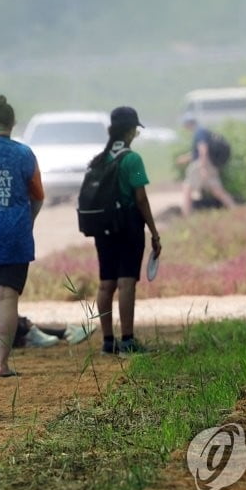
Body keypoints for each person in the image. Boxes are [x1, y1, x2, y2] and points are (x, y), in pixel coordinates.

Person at [0, 95, 44, 378]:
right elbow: (37, 196)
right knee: (7, 296)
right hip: (14, 234)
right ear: (12, 123)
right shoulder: (24, 154)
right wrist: (27, 221)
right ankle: (3, 363)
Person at [92, 106, 162, 356]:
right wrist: (154, 231)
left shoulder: (100, 159)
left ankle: (108, 341)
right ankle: (128, 340)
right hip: (129, 225)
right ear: (131, 130)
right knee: (126, 283)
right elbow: (141, 197)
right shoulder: (133, 160)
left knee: (105, 283)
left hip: (103, 229)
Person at [177, 114, 237, 217]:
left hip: (201, 164)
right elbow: (198, 152)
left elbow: (203, 150)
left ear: (188, 124)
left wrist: (203, 168)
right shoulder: (204, 131)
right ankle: (236, 210)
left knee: (187, 188)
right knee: (217, 190)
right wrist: (186, 158)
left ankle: (185, 216)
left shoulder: (199, 133)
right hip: (210, 164)